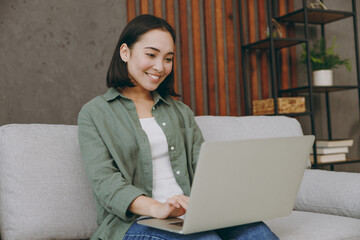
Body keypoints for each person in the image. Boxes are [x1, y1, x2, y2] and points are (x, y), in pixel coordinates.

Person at [78, 14, 279, 240]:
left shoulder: (180, 112)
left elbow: (204, 168)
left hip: (191, 215)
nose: (160, 67)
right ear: (125, 52)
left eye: (168, 58)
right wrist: (158, 208)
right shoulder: (94, 113)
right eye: (151, 54)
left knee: (258, 233)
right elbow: (106, 183)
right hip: (135, 223)